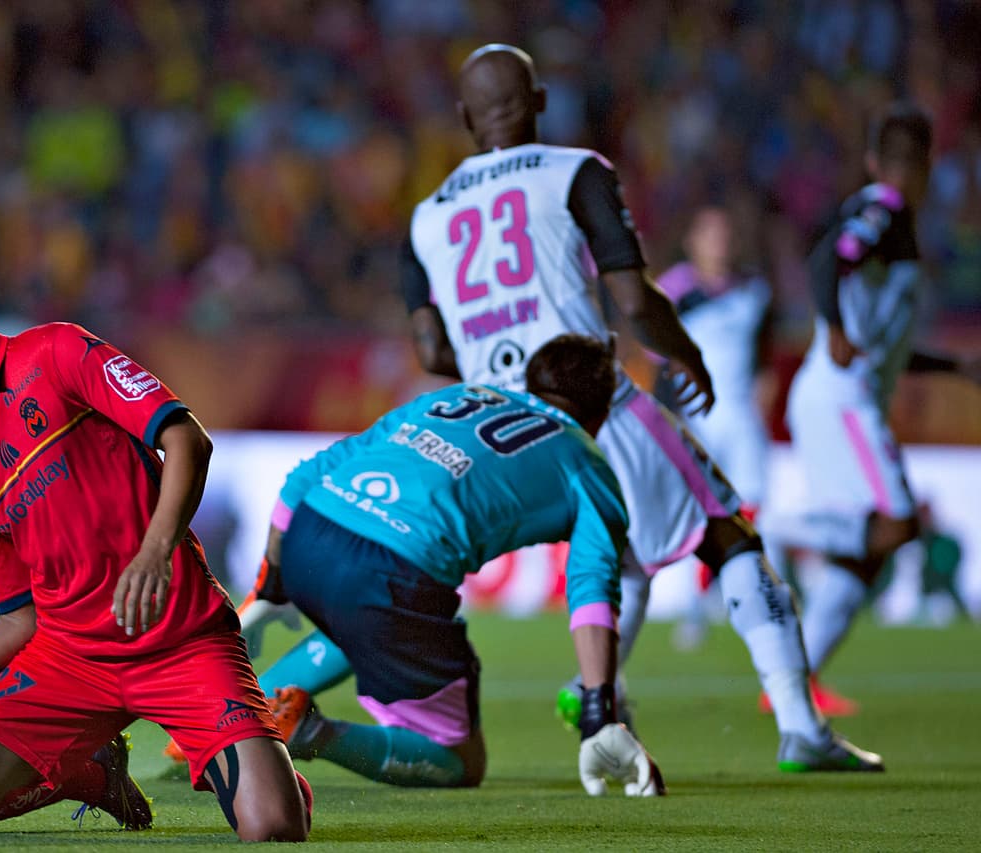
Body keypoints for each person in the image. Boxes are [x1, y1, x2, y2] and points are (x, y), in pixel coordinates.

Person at [383, 42, 878, 773]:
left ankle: (596, 691)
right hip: (589, 404)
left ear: (463, 117)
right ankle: (802, 727)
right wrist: (688, 351)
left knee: (628, 557)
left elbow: (429, 349)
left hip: (495, 431)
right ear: (541, 101)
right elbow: (633, 299)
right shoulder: (574, 172)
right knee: (728, 534)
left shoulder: (425, 218)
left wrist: (505, 372)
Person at [0, 273, 311, 841]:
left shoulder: (56, 352)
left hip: (180, 641)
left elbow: (187, 439)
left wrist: (157, 548)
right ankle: (89, 775)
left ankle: (249, 766)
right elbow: (20, 620)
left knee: (274, 828)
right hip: (69, 662)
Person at [252, 334, 663, 795]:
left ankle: (239, 708)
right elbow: (590, 587)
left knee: (362, 623)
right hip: (392, 574)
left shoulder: (457, 395)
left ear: (530, 381)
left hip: (311, 530)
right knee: (460, 762)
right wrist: (597, 713)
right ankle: (307, 731)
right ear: (604, 413)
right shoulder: (588, 466)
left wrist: (269, 584)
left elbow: (307, 474)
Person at [763, 105, 981, 708]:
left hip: (846, 398)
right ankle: (761, 527)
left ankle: (793, 682)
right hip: (843, 400)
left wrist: (954, 368)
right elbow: (824, 260)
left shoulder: (896, 223)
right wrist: (832, 325)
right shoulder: (882, 209)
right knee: (899, 522)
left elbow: (883, 341)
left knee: (863, 559)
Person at [654, 205, 775, 654]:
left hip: (741, 418)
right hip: (696, 418)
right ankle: (695, 607)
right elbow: (658, 362)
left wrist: (761, 401)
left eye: (724, 233)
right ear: (692, 240)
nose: (718, 243)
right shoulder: (672, 292)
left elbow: (764, 358)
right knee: (701, 516)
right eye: (709, 233)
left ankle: (751, 600)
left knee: (753, 510)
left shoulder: (752, 292)